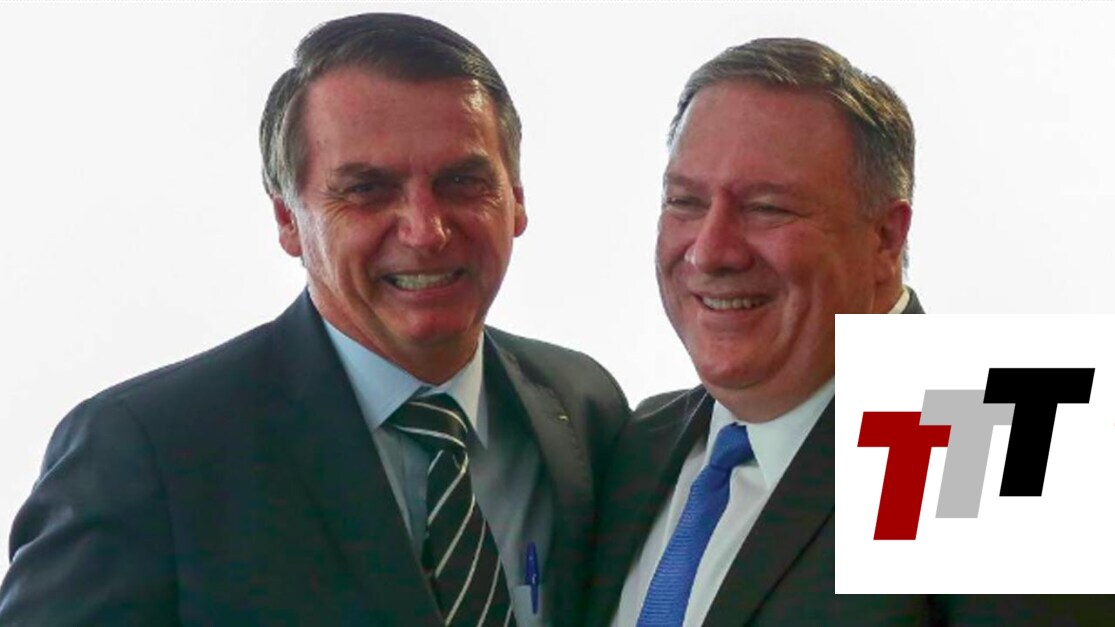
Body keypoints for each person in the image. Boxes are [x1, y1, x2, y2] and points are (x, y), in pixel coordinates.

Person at [0, 13, 628, 626]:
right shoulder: (146, 455)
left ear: (516, 199)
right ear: (287, 220)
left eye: (462, 181)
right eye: (367, 190)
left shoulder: (582, 410)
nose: (425, 231)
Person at [586, 38, 1102, 626]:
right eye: (685, 201)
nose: (710, 251)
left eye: (767, 207)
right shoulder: (638, 446)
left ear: (885, 237)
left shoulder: (1001, 435)